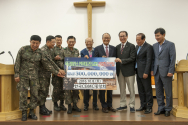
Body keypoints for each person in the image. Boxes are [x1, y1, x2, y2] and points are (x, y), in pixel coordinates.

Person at [14, 35, 64, 121]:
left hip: (34, 77)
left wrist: (57, 71)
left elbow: (48, 64)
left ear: (40, 43)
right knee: (23, 95)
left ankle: (32, 112)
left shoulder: (40, 52)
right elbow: (17, 62)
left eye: (37, 43)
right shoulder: (23, 49)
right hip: (23, 77)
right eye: (33, 42)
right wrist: (16, 74)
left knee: (34, 95)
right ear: (30, 42)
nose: (35, 45)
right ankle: (24, 112)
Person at [38, 35, 65, 115]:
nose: (54, 44)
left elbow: (51, 62)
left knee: (45, 91)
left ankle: (43, 107)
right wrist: (57, 72)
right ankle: (42, 108)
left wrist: (59, 69)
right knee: (42, 92)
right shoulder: (43, 50)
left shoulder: (49, 50)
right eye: (53, 42)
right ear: (48, 42)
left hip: (46, 75)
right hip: (41, 75)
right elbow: (47, 64)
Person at [151, 28, 176, 117]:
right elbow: (153, 59)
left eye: (158, 35)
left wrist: (171, 71)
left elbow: (172, 59)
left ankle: (168, 109)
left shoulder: (170, 44)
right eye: (155, 36)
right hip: (157, 72)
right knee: (158, 91)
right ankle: (160, 108)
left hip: (166, 72)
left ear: (163, 35)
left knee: (168, 91)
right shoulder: (154, 46)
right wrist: (152, 70)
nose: (156, 37)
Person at [94, 33, 116, 113]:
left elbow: (115, 59)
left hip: (111, 72)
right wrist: (100, 59)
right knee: (102, 90)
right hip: (101, 73)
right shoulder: (97, 48)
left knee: (110, 90)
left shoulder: (114, 48)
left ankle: (110, 105)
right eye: (105, 38)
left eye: (108, 38)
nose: (106, 39)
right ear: (102, 38)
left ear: (110, 39)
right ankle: (104, 106)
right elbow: (95, 60)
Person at [115, 31, 136, 112]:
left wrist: (121, 60)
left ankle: (132, 105)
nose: (122, 38)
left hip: (129, 71)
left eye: (123, 36)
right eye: (120, 36)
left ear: (127, 36)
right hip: (120, 71)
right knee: (122, 89)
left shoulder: (131, 46)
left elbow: (132, 58)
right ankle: (123, 104)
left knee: (131, 89)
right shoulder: (117, 47)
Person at [135, 33, 153, 114]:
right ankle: (143, 105)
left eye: (139, 40)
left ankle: (149, 107)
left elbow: (149, 60)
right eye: (136, 40)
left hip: (144, 72)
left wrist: (146, 72)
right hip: (138, 71)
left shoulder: (148, 47)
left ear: (143, 39)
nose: (137, 41)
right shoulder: (136, 47)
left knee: (147, 90)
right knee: (140, 90)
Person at [64, 36, 81, 114]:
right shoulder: (63, 51)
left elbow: (78, 62)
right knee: (67, 91)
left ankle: (75, 105)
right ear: (67, 42)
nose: (71, 43)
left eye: (72, 42)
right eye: (70, 41)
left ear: (75, 42)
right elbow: (60, 62)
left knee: (75, 90)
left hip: (75, 74)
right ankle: (69, 107)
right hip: (67, 74)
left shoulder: (77, 51)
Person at [81, 37, 99, 111]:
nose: (89, 43)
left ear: (93, 42)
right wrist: (83, 58)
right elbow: (80, 63)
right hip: (86, 73)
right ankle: (86, 104)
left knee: (95, 89)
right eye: (87, 42)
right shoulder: (82, 51)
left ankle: (95, 104)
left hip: (95, 73)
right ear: (85, 43)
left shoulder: (96, 50)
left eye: (90, 42)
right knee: (86, 89)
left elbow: (99, 60)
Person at [52, 35, 67, 111]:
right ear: (55, 41)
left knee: (63, 89)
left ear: (62, 41)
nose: (59, 41)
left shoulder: (64, 50)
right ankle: (55, 104)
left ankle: (61, 104)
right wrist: (54, 58)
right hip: (56, 73)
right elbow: (49, 60)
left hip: (64, 73)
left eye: (60, 40)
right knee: (56, 89)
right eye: (57, 40)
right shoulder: (52, 49)